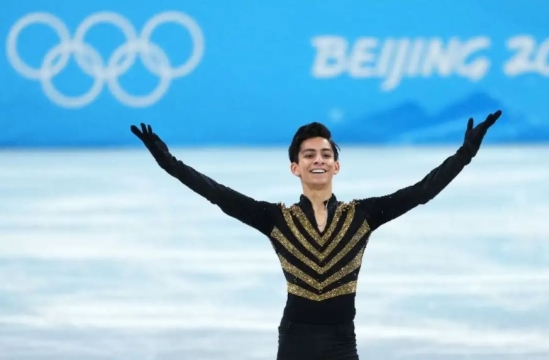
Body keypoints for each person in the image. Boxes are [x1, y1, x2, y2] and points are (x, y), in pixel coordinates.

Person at [130, 110, 502, 360]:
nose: (318, 159)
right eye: (309, 155)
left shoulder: (362, 215)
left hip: (342, 340)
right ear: (295, 167)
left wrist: (465, 152)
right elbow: (217, 193)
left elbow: (423, 191)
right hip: (295, 340)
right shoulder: (275, 218)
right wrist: (168, 162)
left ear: (337, 165)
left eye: (325, 153)